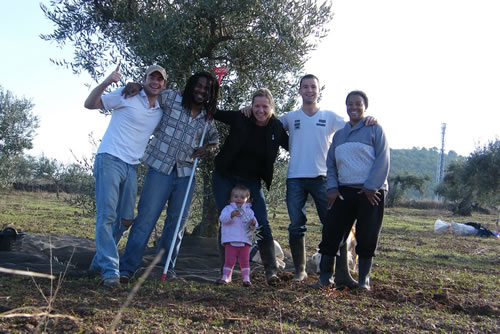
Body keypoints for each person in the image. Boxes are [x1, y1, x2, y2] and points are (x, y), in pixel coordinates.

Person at [119, 72, 220, 282]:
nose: (201, 91)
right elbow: (150, 93)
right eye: (198, 86)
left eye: (206, 89)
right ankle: (127, 268)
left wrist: (207, 149)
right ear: (191, 85)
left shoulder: (208, 117)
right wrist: (137, 85)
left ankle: (165, 270)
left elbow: (214, 141)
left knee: (177, 224)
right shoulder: (171, 98)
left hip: (186, 174)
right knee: (146, 219)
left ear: (211, 94)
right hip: (160, 169)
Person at [279, 74, 376, 285]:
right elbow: (266, 121)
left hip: (323, 178)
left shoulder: (330, 117)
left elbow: (353, 125)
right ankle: (300, 271)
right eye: (305, 87)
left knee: (335, 225)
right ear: (299, 91)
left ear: (319, 90)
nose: (309, 90)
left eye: (313, 87)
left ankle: (341, 273)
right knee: (296, 225)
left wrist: (369, 120)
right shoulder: (290, 117)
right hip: (295, 178)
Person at [84, 64, 167, 288]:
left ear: (164, 84)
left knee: (126, 219)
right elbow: (89, 104)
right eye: (152, 78)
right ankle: (110, 270)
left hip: (131, 166)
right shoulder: (126, 94)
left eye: (160, 80)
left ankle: (98, 262)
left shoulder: (161, 107)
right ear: (144, 78)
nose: (155, 82)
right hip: (109, 158)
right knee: (107, 215)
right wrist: (108, 82)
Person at [313, 90, 389, 290]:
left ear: (365, 107)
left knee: (367, 234)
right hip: (343, 191)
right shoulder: (340, 135)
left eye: (358, 104)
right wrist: (331, 188)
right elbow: (331, 164)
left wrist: (372, 187)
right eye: (350, 104)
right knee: (331, 232)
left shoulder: (375, 129)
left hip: (371, 193)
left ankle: (364, 280)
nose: (354, 108)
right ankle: (324, 278)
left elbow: (383, 160)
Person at [212, 88, 289, 284]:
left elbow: (295, 145)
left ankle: (271, 270)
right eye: (257, 106)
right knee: (226, 217)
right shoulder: (241, 117)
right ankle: (225, 272)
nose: (260, 110)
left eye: (265, 106)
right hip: (225, 176)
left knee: (262, 220)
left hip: (252, 181)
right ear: (251, 106)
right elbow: (214, 112)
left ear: (271, 107)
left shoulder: (277, 128)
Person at [217, 185, 258, 287]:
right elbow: (222, 219)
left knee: (244, 261)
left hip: (245, 241)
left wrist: (253, 223)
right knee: (229, 260)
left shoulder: (249, 211)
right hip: (231, 240)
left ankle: (246, 279)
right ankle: (225, 277)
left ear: (247, 199)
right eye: (236, 196)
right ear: (231, 198)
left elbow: (253, 225)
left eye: (242, 197)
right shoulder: (228, 209)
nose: (238, 199)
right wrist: (231, 215)